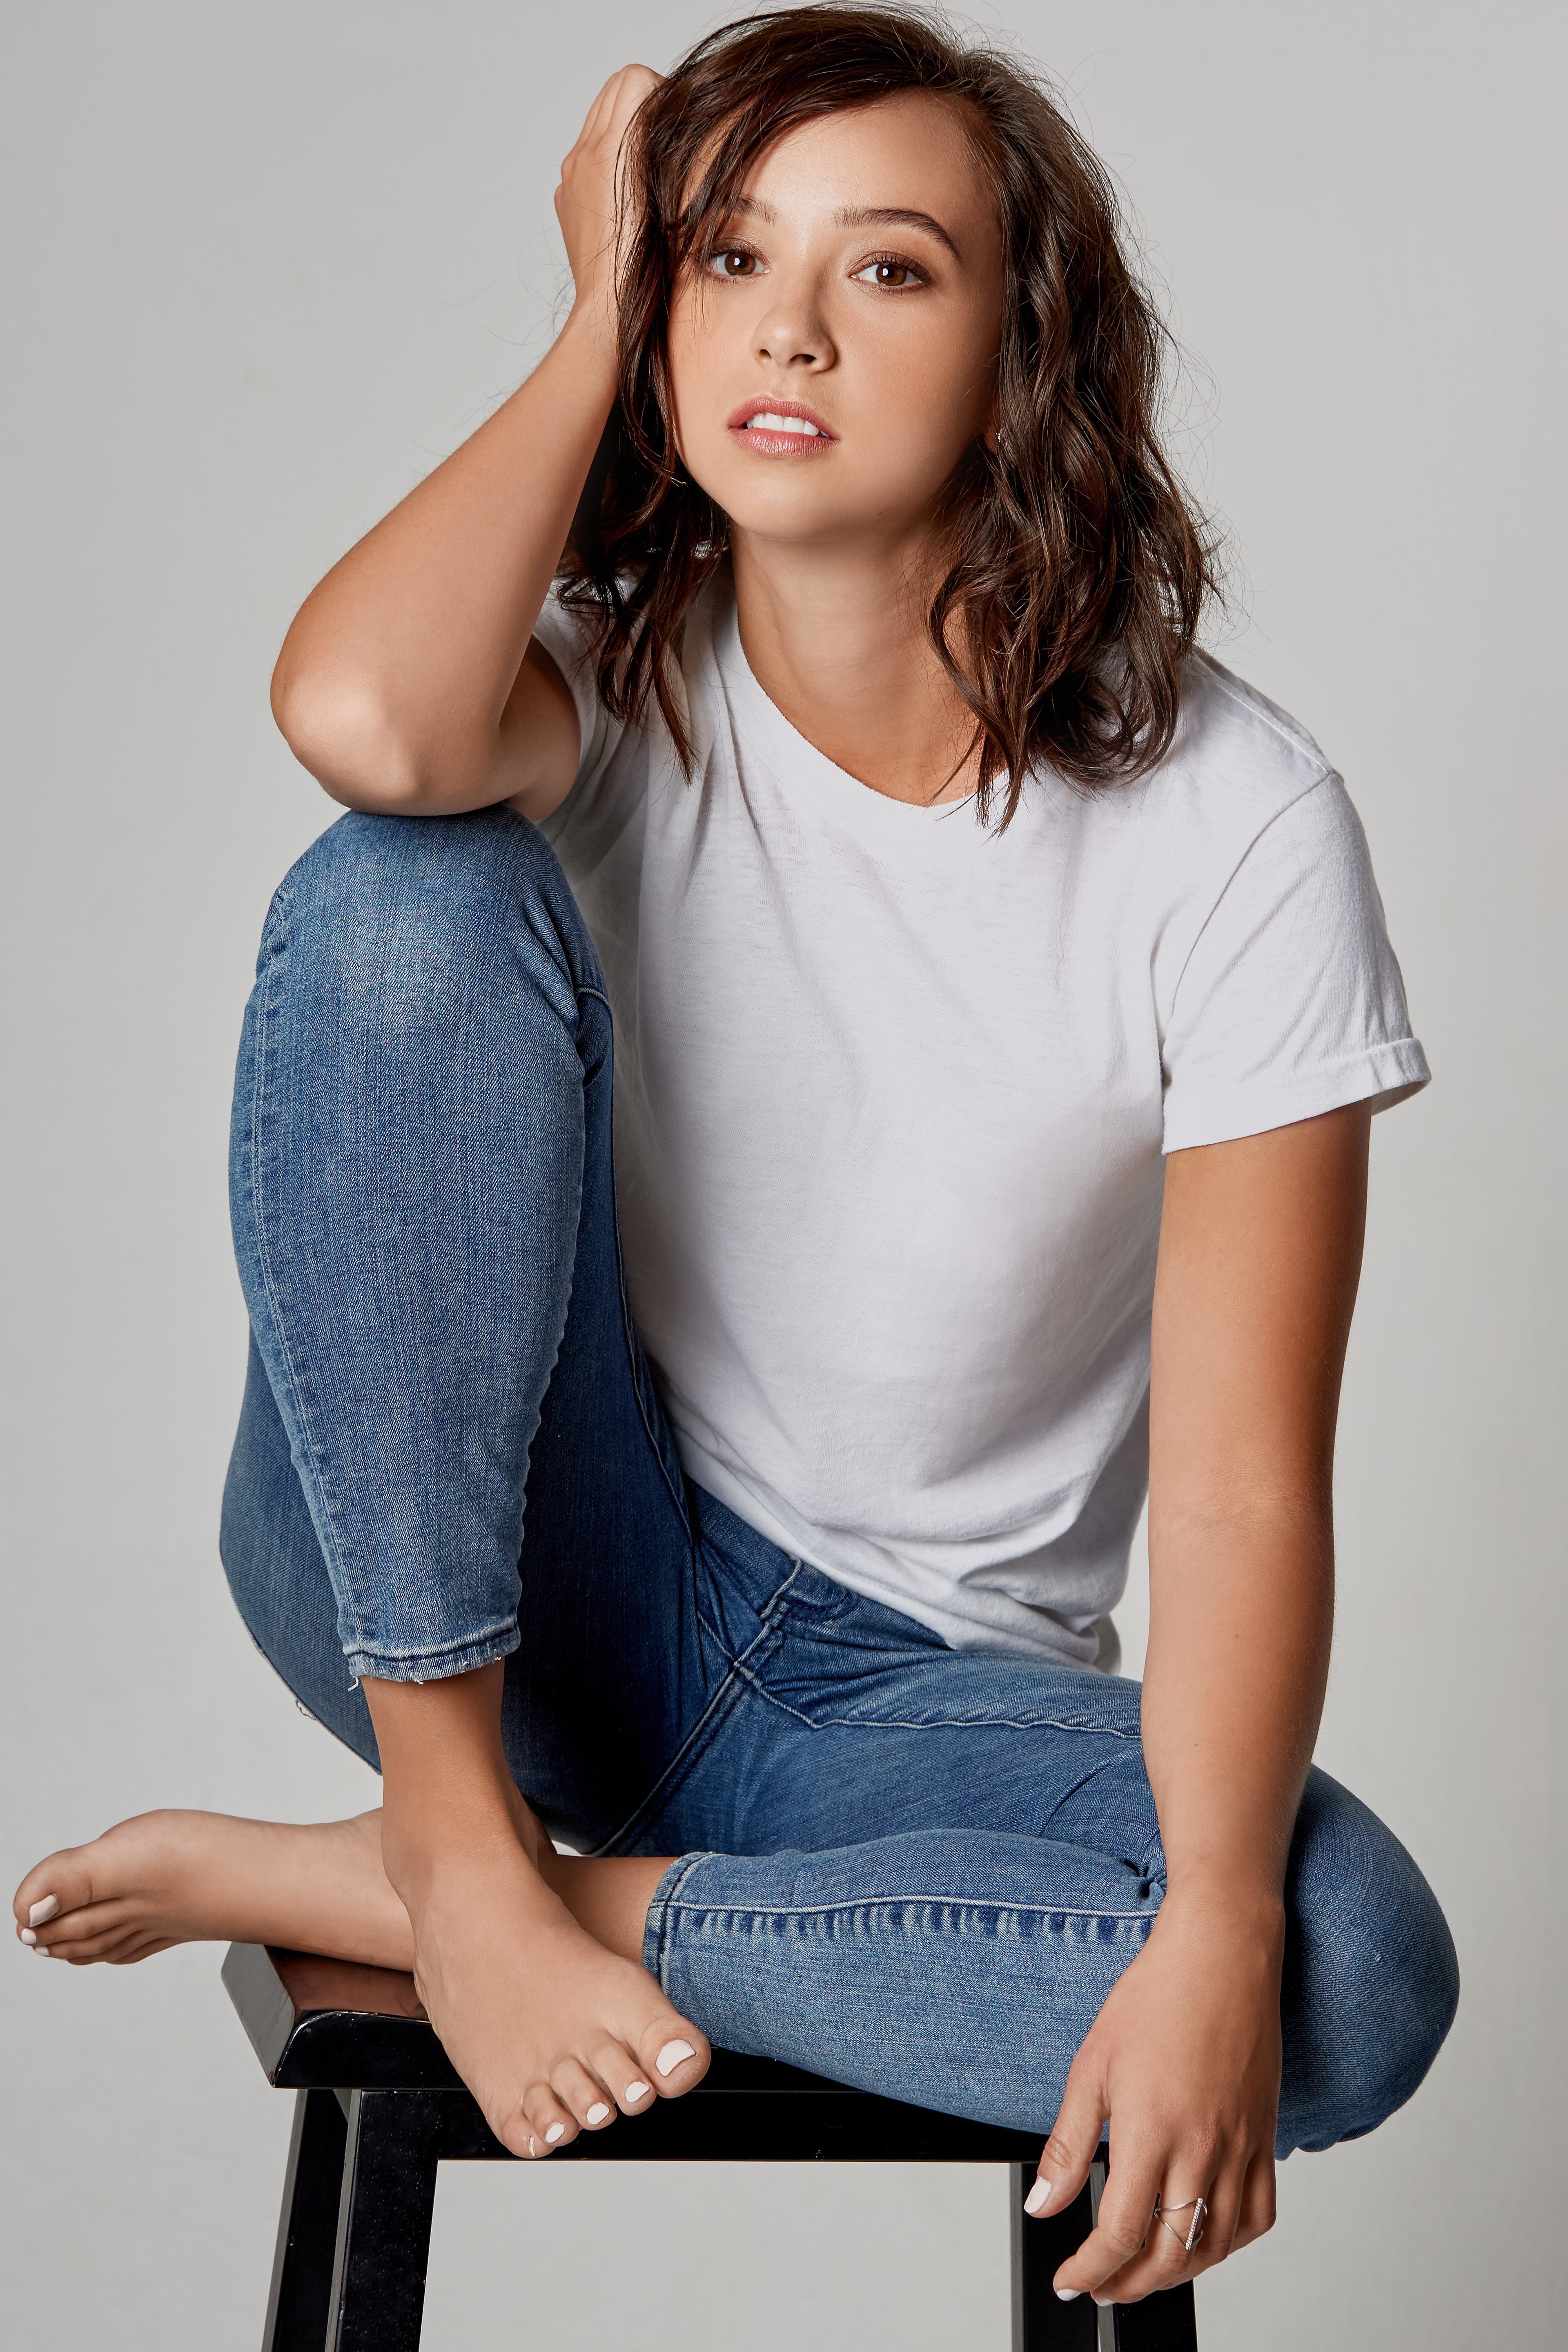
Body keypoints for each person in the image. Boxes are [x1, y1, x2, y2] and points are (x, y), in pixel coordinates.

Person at [12, 4, 1457, 2311]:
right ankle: (456, 1832)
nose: (787, 326)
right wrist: (595, 308)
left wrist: (1213, 1924)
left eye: (888, 268)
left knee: (1342, 1961)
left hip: (908, 1709)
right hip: (505, 1565)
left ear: (1022, 352)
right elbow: (363, 714)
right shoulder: (608, 679)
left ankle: (462, 1892)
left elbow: (1238, 1494)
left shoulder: (1234, 824)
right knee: (402, 883)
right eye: (724, 255)